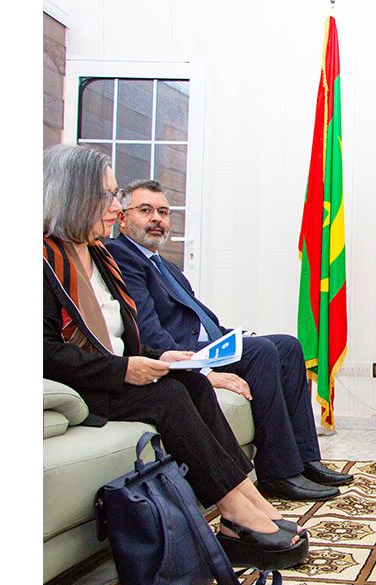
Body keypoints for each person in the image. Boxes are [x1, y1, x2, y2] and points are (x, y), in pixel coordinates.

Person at [42, 144, 303, 561]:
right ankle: (234, 512)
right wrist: (123, 370)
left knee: (192, 385)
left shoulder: (99, 256)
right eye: (108, 196)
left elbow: (125, 333)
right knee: (169, 397)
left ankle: (247, 497)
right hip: (86, 383)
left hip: (116, 369)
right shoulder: (44, 262)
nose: (115, 207)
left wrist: (160, 358)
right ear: (74, 196)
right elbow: (44, 351)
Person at [106, 179, 352, 501]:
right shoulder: (122, 257)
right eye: (145, 210)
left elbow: (199, 318)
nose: (157, 219)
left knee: (288, 345)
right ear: (122, 218)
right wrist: (201, 370)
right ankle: (279, 473)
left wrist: (238, 336)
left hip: (205, 345)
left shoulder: (163, 265)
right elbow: (147, 331)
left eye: (163, 212)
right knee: (262, 352)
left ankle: (307, 459)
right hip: (181, 354)